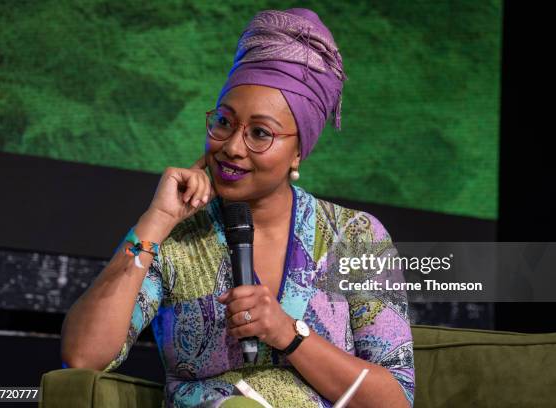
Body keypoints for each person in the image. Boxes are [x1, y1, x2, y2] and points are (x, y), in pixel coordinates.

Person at [61, 8, 415, 408]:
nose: (231, 147)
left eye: (260, 133)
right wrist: (156, 222)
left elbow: (394, 401)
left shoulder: (355, 236)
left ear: (298, 151)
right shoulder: (177, 236)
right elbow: (84, 356)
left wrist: (290, 335)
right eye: (224, 122)